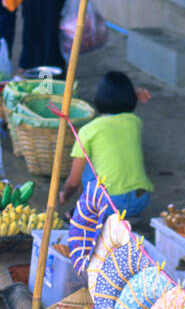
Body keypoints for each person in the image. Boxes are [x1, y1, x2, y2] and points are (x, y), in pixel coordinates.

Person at [59, 72, 153, 222]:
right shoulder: (135, 122)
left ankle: (84, 210)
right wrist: (133, 95)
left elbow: (73, 182)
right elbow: (122, 103)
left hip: (110, 205)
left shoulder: (88, 131)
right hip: (140, 201)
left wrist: (64, 196)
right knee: (109, 156)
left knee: (88, 164)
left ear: (97, 100)